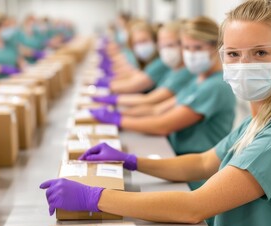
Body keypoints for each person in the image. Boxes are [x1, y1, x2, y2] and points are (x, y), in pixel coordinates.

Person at [40, 0, 271, 226]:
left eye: (260, 52)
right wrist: (132, 161)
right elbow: (204, 163)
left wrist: (95, 197)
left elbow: (195, 207)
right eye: (233, 54)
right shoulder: (263, 118)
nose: (244, 65)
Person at [90, 16, 236, 161]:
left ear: (217, 47)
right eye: (186, 47)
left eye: (198, 48)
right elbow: (156, 109)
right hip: (179, 156)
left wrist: (119, 119)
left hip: (194, 169)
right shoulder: (199, 79)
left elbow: (163, 125)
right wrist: (119, 115)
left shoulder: (215, 86)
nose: (191, 54)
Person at [93, 21, 195, 107]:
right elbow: (133, 73)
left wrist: (110, 95)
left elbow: (145, 96)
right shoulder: (173, 69)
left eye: (170, 45)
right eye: (136, 43)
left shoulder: (165, 64)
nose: (166, 50)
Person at [99, 21, 171, 94]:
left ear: (155, 40)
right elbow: (134, 74)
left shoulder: (160, 62)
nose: (141, 46)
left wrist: (104, 85)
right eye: (137, 43)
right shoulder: (147, 61)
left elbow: (133, 85)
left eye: (144, 41)